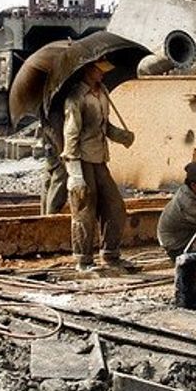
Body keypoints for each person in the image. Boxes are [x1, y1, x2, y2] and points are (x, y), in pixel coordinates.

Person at [63, 59, 135, 271]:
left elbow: (104, 127)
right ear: (88, 70)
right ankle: (83, 260)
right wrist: (74, 174)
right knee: (84, 210)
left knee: (115, 207)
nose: (103, 74)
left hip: (100, 159)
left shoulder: (102, 92)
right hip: (82, 160)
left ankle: (110, 254)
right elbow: (71, 135)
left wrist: (121, 136)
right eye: (99, 71)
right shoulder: (76, 98)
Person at [157, 161, 196, 260]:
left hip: (186, 235)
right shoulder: (187, 203)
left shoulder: (195, 192)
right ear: (194, 185)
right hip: (176, 246)